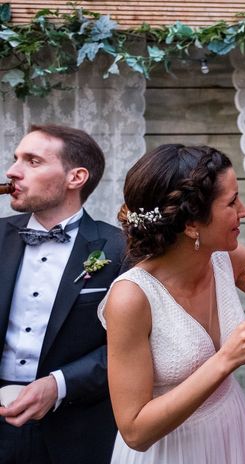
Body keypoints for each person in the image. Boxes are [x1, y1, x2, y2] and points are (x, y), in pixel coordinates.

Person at [98, 143, 245, 463]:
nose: (244, 211)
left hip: (230, 428)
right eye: (231, 202)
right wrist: (227, 358)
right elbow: (135, 430)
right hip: (171, 451)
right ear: (191, 224)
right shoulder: (131, 298)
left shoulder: (228, 258)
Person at [0, 124, 127, 464]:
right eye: (16, 159)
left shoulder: (120, 249)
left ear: (76, 177)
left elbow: (131, 346)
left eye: (33, 161)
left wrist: (59, 385)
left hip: (78, 434)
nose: (12, 171)